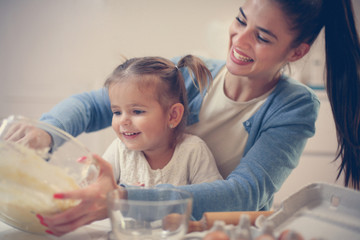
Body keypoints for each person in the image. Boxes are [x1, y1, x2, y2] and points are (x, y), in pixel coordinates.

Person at [17, 0, 360, 236]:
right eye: (241, 19)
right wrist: (46, 132)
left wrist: (123, 199)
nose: (239, 40)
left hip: (214, 233)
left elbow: (244, 194)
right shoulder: (191, 73)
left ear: (296, 51)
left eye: (262, 36)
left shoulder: (293, 106)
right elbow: (96, 104)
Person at [101, 55, 222, 186]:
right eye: (117, 112)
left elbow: (215, 198)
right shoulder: (119, 150)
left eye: (137, 111)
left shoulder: (193, 151)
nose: (123, 121)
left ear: (173, 115)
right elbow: (97, 194)